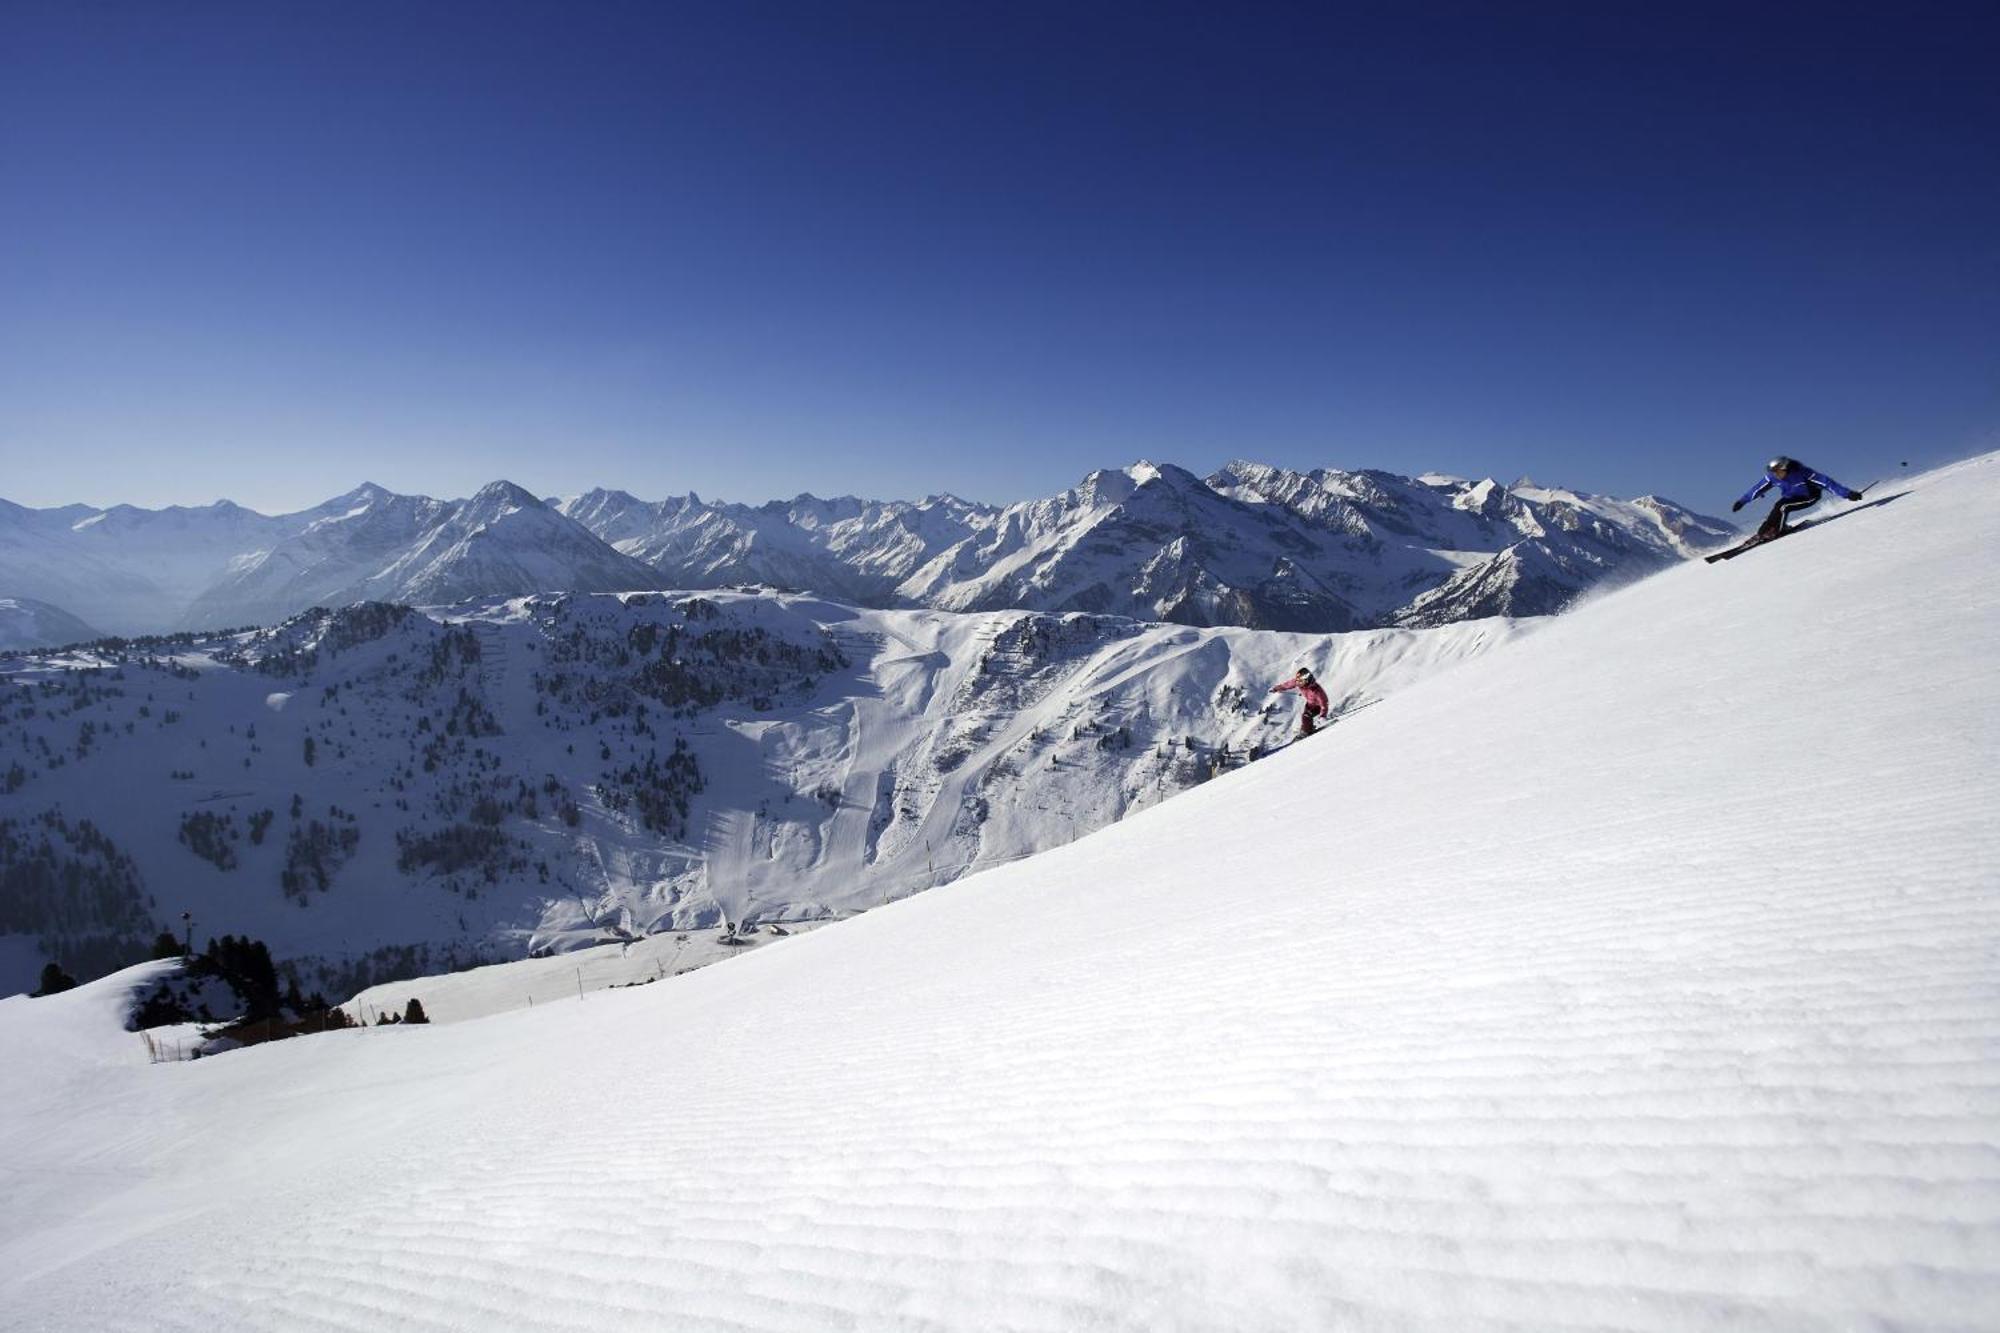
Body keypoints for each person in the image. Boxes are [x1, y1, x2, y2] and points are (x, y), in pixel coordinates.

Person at [1732, 456, 1864, 541]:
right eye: (1773, 472)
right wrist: (1742, 501)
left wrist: (1847, 494)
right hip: (1790, 497)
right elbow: (1757, 489)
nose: (1775, 475)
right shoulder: (1772, 477)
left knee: (1783, 507)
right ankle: (1763, 532)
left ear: (1785, 468)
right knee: (1778, 506)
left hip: (1809, 497)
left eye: (1778, 471)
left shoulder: (1803, 473)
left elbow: (1827, 483)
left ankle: (1778, 530)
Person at [1271, 666, 1331, 737]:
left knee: (1306, 716)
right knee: (1305, 717)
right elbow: (1288, 684)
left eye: (1301, 681)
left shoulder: (1316, 690)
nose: (1298, 683)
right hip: (1309, 704)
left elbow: (1324, 703)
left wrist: (1323, 716)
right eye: (1298, 680)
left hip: (1318, 706)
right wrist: (1276, 688)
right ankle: (1307, 729)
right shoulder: (1299, 682)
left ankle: (1305, 732)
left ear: (1306, 680)